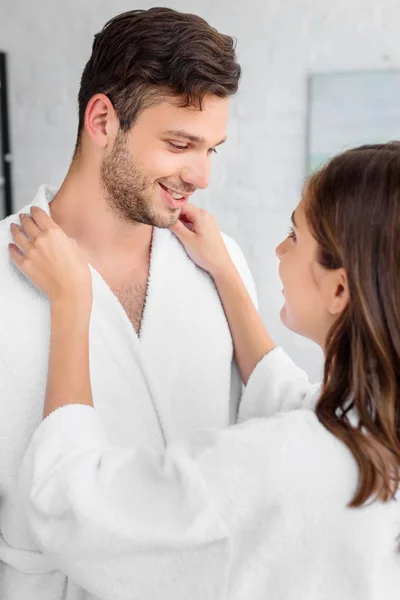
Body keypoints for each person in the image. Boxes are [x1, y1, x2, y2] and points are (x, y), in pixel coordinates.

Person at [10, 142, 400, 600]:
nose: (278, 249)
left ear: (339, 290)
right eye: (180, 143)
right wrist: (227, 273)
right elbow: (294, 398)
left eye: (294, 236)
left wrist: (72, 301)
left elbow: (68, 502)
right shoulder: (375, 429)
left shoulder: (282, 467)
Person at [0, 8, 257, 600]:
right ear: (102, 120)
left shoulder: (221, 264)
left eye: (212, 149)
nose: (201, 174)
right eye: (179, 143)